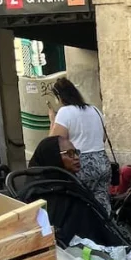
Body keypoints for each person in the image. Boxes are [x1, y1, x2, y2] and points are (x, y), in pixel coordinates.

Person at [49, 76, 112, 213]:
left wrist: (52, 121)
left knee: (81, 205)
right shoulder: (94, 110)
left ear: (59, 97)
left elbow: (54, 143)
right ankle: (106, 225)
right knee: (102, 204)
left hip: (80, 164)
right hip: (102, 162)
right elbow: (103, 138)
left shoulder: (64, 112)